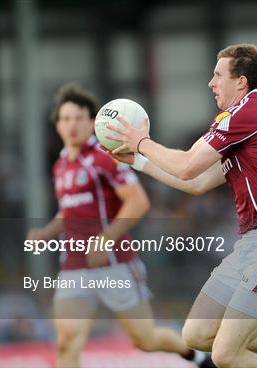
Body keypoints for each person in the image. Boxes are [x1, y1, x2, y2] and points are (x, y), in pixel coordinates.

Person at [106, 44, 257, 368]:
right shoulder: (244, 123)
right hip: (253, 245)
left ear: (241, 82)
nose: (211, 83)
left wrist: (141, 141)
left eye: (217, 75)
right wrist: (138, 161)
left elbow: (186, 166)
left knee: (226, 353)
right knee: (197, 335)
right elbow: (195, 183)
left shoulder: (245, 114)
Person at [26, 83, 205, 368]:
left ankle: (197, 356)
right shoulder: (61, 165)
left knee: (145, 341)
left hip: (115, 264)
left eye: (78, 118)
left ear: (92, 122)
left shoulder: (104, 158)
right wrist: (47, 232)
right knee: (67, 340)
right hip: (74, 265)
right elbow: (69, 209)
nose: (72, 125)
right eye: (65, 118)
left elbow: (138, 202)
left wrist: (106, 238)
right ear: (57, 125)